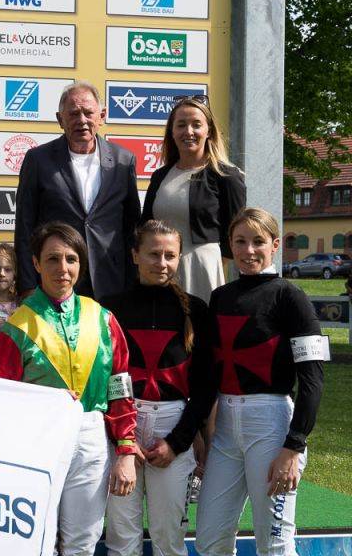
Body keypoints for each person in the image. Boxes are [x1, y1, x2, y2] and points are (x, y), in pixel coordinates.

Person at [0, 221, 138, 556]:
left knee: (82, 544)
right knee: (36, 542)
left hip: (91, 436)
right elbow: (4, 400)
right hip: (37, 440)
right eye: (53, 259)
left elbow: (120, 386)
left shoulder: (103, 318)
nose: (63, 268)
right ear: (35, 263)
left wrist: (126, 448)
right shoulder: (15, 327)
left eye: (71, 259)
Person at [195, 208, 326, 556]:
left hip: (272, 426)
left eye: (258, 242)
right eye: (240, 241)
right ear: (230, 245)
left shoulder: (290, 297)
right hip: (224, 430)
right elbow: (209, 375)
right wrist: (198, 434)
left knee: (275, 546)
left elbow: (312, 380)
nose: (248, 250)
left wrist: (293, 446)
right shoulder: (220, 297)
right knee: (209, 541)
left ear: (275, 245)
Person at [103, 220, 214, 556]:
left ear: (180, 257)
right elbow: (104, 377)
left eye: (170, 255)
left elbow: (207, 385)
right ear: (135, 255)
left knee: (169, 538)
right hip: (123, 426)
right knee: (122, 538)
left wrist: (178, 441)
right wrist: (120, 440)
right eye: (153, 254)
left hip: (174, 427)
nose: (161, 263)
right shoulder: (110, 307)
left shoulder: (196, 310)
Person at [15, 81, 141, 301]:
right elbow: (25, 226)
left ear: (101, 116)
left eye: (88, 113)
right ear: (60, 119)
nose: (81, 120)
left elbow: (131, 227)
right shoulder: (38, 160)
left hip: (111, 281)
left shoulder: (124, 160)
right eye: (73, 114)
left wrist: (134, 280)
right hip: (56, 280)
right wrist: (26, 284)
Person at [141, 96, 246, 302]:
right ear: (172, 132)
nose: (188, 132)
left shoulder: (228, 177)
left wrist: (210, 263)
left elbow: (236, 234)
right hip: (161, 270)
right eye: (181, 125)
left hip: (203, 271)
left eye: (196, 125)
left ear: (209, 131)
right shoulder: (160, 176)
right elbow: (145, 225)